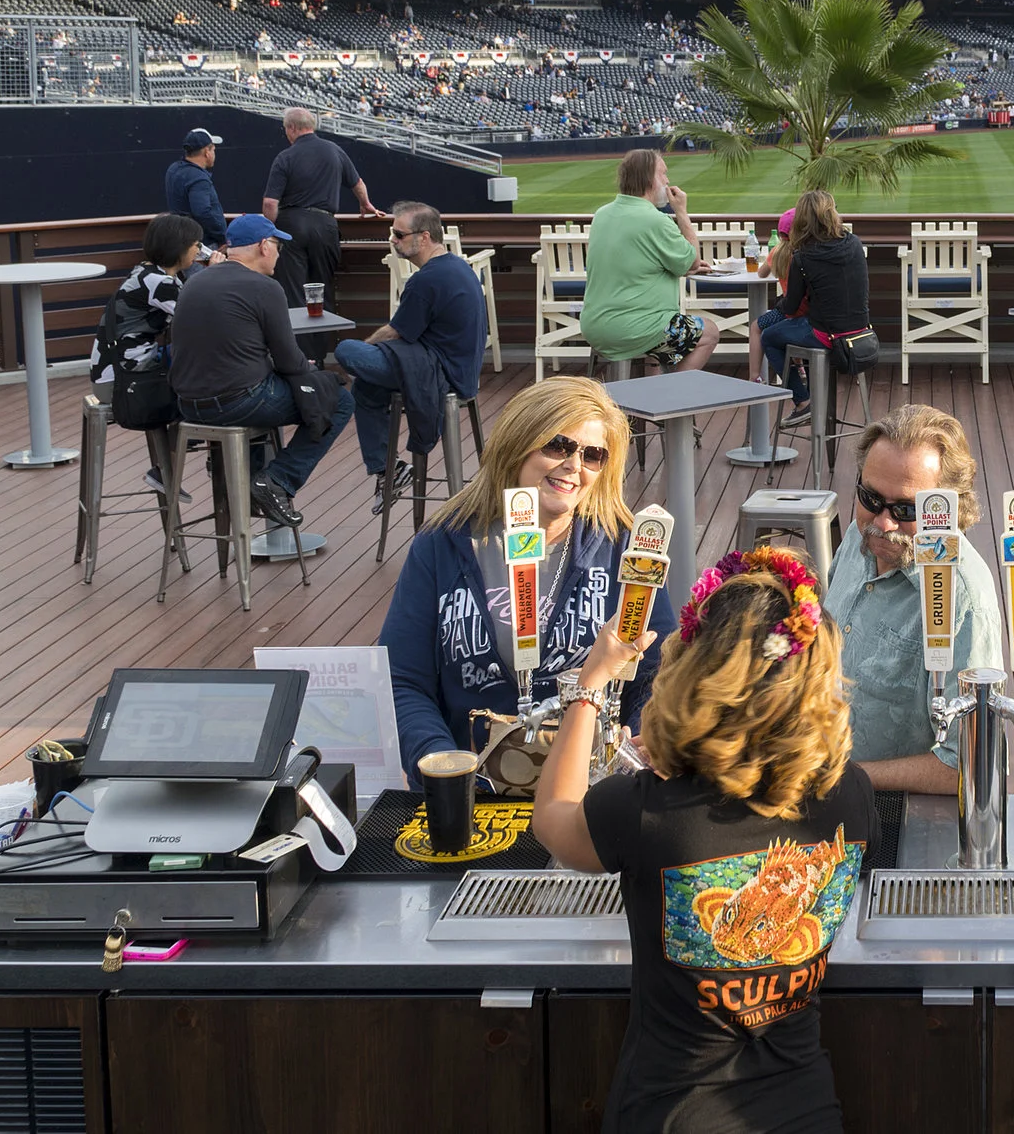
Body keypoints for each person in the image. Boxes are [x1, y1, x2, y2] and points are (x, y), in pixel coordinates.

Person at [530, 550, 872, 1134]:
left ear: (694, 673)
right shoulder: (851, 797)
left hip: (670, 1115)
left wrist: (591, 683)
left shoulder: (645, 812)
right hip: (809, 1114)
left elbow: (553, 821)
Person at [379, 377, 669, 786]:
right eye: (558, 445)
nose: (573, 466)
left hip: (593, 790)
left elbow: (660, 671)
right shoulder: (443, 542)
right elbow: (402, 678)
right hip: (472, 786)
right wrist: (443, 768)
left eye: (593, 455)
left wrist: (638, 741)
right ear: (516, 442)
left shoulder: (625, 546)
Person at [824, 404, 1004, 794]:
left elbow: (969, 764)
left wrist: (843, 778)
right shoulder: (860, 534)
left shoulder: (965, 598)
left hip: (892, 812)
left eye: (906, 509)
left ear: (950, 512)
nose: (883, 523)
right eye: (870, 498)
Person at [167, 213, 353, 528]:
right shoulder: (264, 287)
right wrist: (303, 368)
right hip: (238, 404)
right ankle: (276, 481)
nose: (280, 255)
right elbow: (288, 361)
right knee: (337, 398)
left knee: (277, 384)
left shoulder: (195, 280)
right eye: (278, 246)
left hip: (188, 405)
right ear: (264, 246)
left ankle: (241, 486)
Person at [334, 203, 485, 510]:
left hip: (438, 372)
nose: (392, 239)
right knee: (365, 386)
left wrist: (365, 350)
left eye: (399, 234)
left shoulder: (426, 280)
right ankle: (388, 471)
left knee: (346, 350)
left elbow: (396, 332)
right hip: (458, 370)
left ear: (424, 236)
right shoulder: (457, 266)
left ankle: (388, 470)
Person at [86, 213, 201, 487]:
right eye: (195, 244)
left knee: (199, 369)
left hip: (122, 372)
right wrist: (219, 272)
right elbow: (205, 315)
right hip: (121, 380)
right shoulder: (159, 283)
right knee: (204, 376)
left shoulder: (149, 273)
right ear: (178, 246)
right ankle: (174, 464)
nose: (199, 249)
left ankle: (171, 463)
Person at [585, 149, 720, 372]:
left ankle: (654, 393)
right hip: (635, 329)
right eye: (663, 174)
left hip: (595, 327)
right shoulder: (656, 220)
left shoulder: (602, 214)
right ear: (649, 179)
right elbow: (693, 261)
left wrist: (684, 268)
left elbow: (639, 258)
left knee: (659, 342)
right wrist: (682, 212)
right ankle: (670, 399)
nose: (668, 181)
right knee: (710, 332)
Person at [756, 190, 868, 416]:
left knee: (767, 335)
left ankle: (803, 401)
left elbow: (790, 308)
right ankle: (810, 393)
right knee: (801, 328)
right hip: (861, 333)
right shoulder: (854, 243)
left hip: (828, 337)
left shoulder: (803, 257)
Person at [260, 106, 383, 309]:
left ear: (291, 128)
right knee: (323, 290)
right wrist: (365, 203)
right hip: (325, 226)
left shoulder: (285, 157)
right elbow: (358, 183)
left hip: (292, 227)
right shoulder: (335, 150)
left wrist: (267, 230)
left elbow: (270, 203)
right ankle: (325, 339)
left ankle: (297, 341)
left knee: (294, 293)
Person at [163, 127, 227, 250]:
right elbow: (202, 212)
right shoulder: (199, 178)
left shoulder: (173, 169)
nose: (214, 153)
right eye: (213, 149)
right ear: (206, 152)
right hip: (202, 245)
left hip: (181, 240)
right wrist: (222, 237)